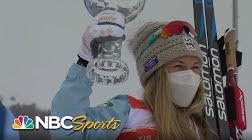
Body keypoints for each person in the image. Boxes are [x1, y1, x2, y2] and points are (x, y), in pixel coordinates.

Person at [51, 20, 218, 139]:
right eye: (179, 67)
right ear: (156, 74)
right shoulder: (128, 112)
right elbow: (67, 130)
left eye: (196, 67)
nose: (190, 76)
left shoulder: (200, 126)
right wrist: (84, 59)